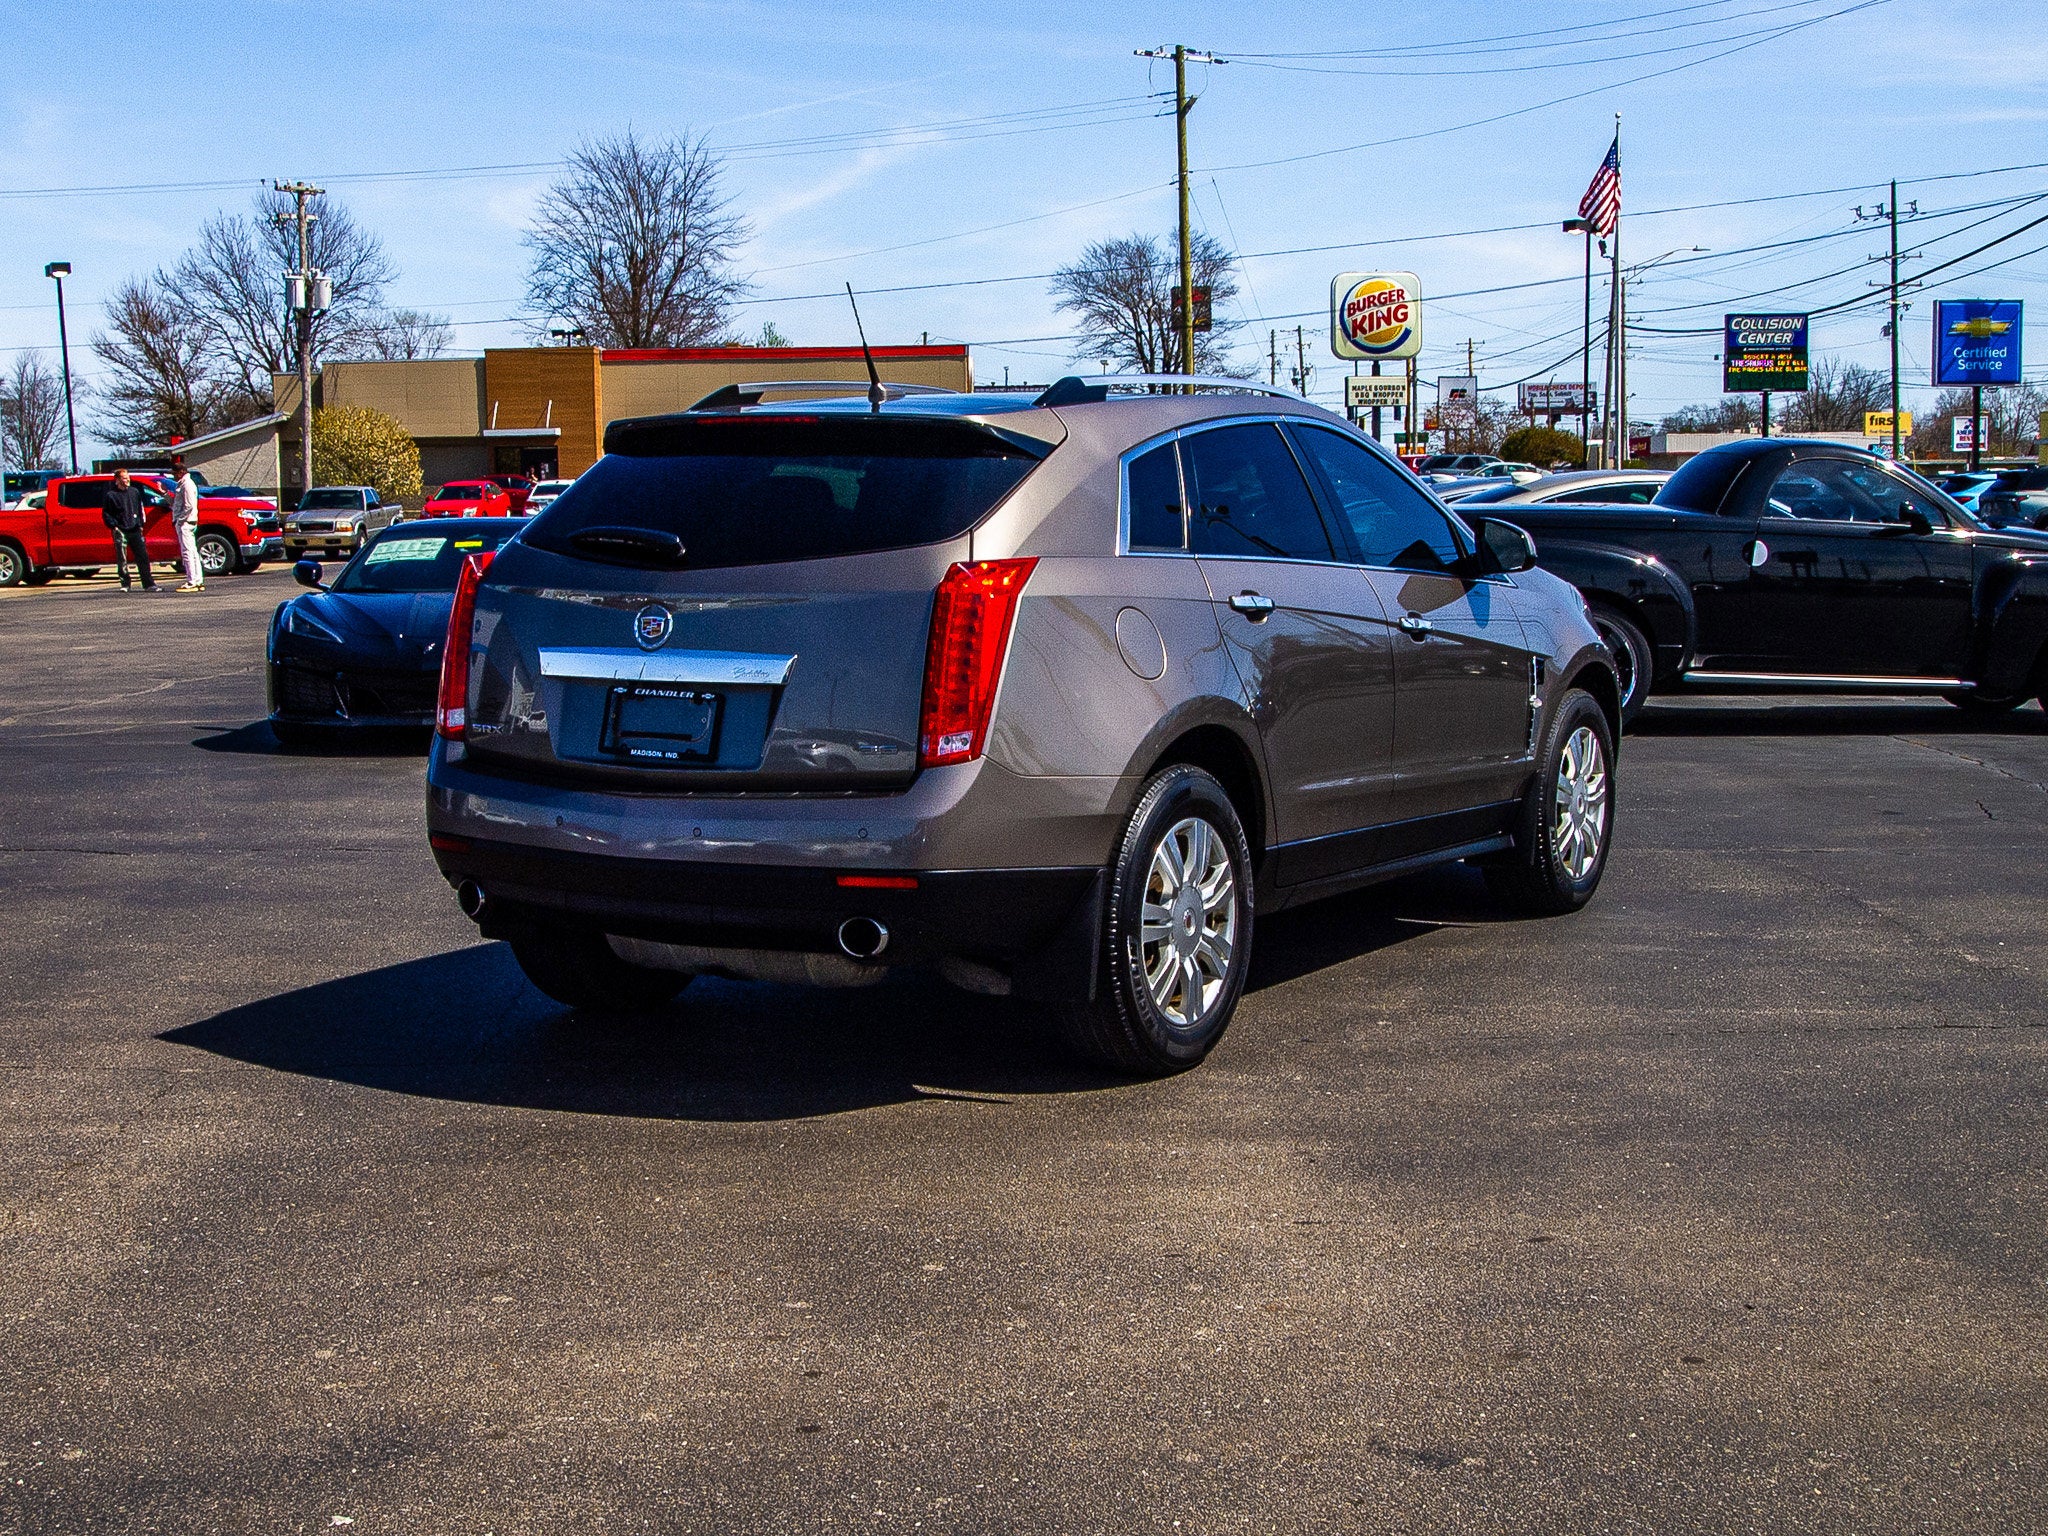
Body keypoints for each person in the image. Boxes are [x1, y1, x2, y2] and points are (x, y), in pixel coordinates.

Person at [101, 469, 157, 593]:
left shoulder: (134, 492)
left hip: (135, 528)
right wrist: (114, 526)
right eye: (124, 478)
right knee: (122, 558)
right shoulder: (111, 495)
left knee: (143, 556)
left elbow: (139, 508)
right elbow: (106, 513)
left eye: (128, 478)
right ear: (118, 480)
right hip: (120, 529)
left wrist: (140, 524)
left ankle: (148, 583)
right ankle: (125, 583)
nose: (127, 480)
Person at [171, 457, 205, 591]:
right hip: (187, 521)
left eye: (174, 474)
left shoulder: (187, 484)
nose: (174, 476)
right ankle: (197, 579)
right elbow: (176, 503)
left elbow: (189, 506)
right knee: (192, 551)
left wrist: (180, 520)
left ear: (180, 472)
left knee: (187, 552)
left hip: (186, 522)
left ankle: (192, 581)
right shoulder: (182, 484)